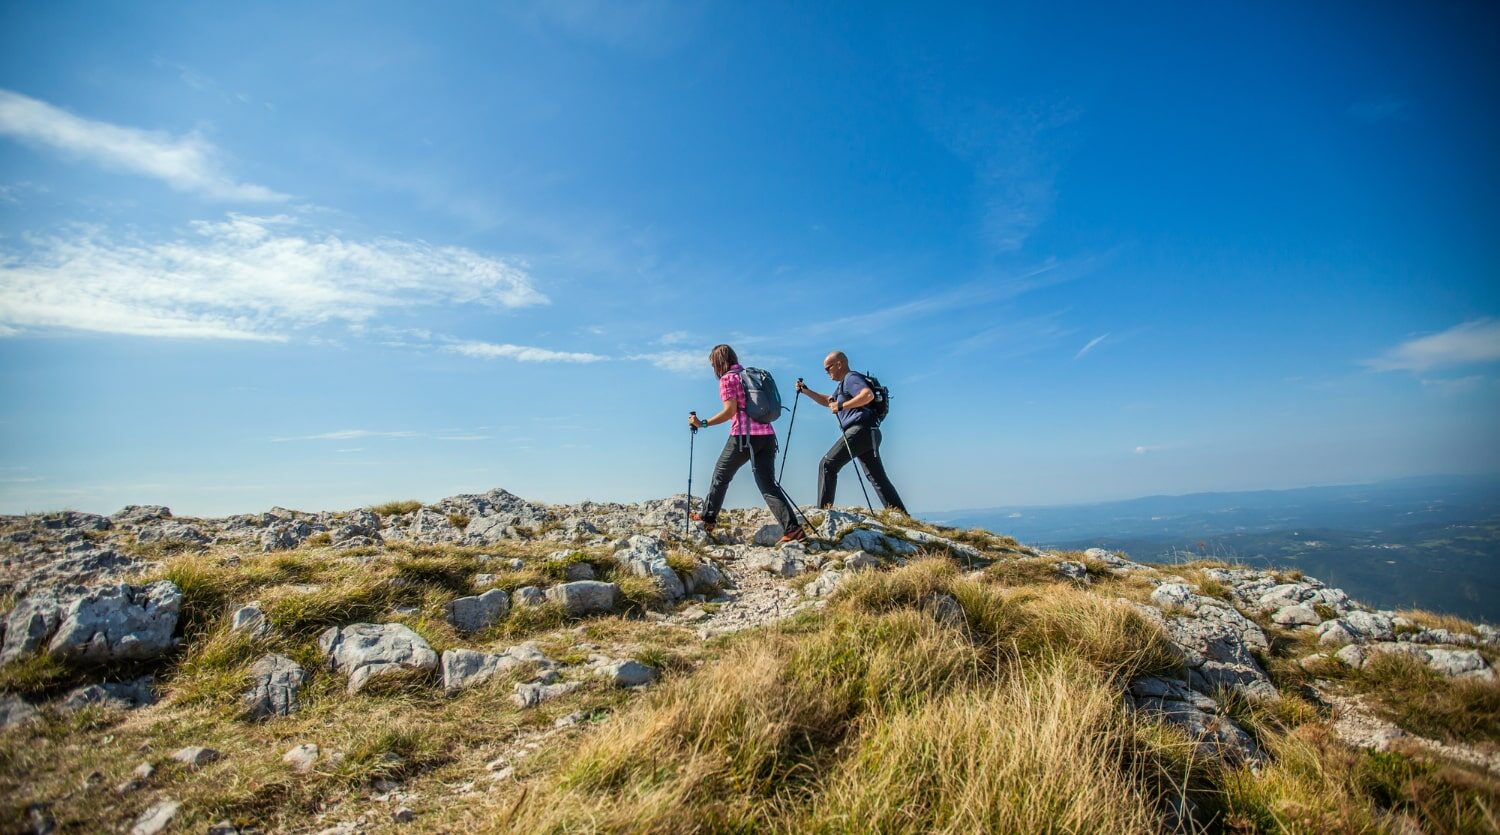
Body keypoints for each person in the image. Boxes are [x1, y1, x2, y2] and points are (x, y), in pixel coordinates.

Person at [689, 344, 806, 542]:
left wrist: (703, 423)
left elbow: (729, 411)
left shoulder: (728, 379)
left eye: (713, 365)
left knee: (720, 475)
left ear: (718, 363)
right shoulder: (749, 375)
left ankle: (708, 518)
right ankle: (793, 530)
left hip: (743, 437)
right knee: (768, 484)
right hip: (767, 436)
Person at [795, 351, 908, 514]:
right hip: (870, 432)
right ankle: (902, 515)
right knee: (877, 478)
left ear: (839, 364)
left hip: (860, 431)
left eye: (828, 368)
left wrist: (842, 406)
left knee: (827, 464)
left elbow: (867, 395)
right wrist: (807, 391)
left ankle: (823, 512)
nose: (827, 372)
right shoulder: (843, 385)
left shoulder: (851, 378)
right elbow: (829, 401)